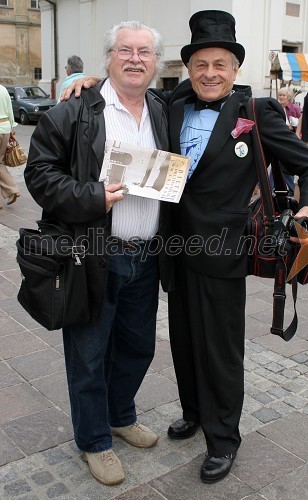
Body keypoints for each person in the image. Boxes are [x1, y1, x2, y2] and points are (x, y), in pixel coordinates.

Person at [62, 10, 308, 485]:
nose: (209, 73)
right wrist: (89, 78)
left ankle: (224, 439)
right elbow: (127, 84)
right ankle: (194, 412)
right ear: (188, 68)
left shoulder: (257, 113)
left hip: (225, 254)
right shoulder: (173, 103)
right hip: (175, 250)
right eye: (200, 64)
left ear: (235, 69)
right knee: (182, 342)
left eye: (219, 64)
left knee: (220, 350)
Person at [25, 21, 169, 486]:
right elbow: (39, 174)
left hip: (145, 255)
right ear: (107, 58)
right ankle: (93, 440)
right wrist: (93, 196)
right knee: (88, 354)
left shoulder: (163, 109)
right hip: (91, 253)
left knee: (137, 348)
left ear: (155, 63)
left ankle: (120, 415)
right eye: (124, 50)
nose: (134, 58)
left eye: (144, 52)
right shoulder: (75, 110)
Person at [270, 86, 302, 195]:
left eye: (283, 95)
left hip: (291, 139)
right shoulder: (275, 107)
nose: (281, 97)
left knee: (284, 164)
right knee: (277, 162)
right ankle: (270, 189)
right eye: (280, 95)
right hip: (278, 138)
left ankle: (290, 188)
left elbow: (299, 125)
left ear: (288, 97)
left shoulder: (295, 108)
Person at [0, 84, 20, 208]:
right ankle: (12, 190)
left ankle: (12, 189)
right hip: (5, 128)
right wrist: (12, 128)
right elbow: (9, 111)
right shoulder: (3, 89)